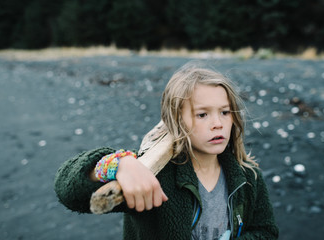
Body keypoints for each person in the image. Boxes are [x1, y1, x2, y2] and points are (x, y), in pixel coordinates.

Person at [54, 62, 279, 239]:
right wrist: (118, 165)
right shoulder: (152, 175)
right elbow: (68, 190)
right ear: (176, 121)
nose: (217, 123)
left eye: (224, 112)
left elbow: (266, 231)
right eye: (202, 114)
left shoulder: (248, 176)